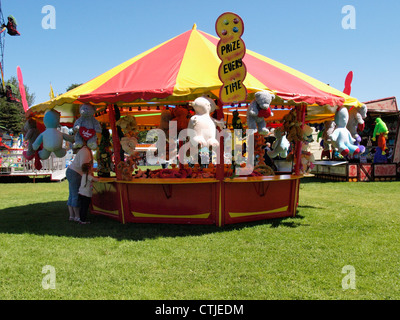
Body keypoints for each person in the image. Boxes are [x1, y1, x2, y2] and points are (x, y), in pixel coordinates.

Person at [66, 141, 93, 222]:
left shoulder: (84, 150)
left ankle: (71, 215)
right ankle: (77, 216)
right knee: (76, 195)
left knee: (72, 195)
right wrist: (90, 174)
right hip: (76, 173)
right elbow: (83, 166)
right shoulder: (85, 151)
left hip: (72, 171)